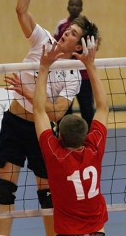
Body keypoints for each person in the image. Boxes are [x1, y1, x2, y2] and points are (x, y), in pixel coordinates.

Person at [0, 0, 101, 235]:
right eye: (68, 29)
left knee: (47, 197)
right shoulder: (42, 38)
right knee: (5, 190)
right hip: (13, 124)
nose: (66, 32)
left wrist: (26, 92)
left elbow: (54, 114)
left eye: (73, 33)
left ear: (78, 46)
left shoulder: (73, 75)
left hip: (40, 133)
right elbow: (21, 10)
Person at [33, 35, 108, 235]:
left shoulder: (55, 155)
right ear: (86, 137)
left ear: (59, 138)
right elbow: (102, 108)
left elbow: (39, 110)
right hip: (96, 232)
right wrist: (90, 65)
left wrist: (44, 66)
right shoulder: (94, 147)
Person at [54, 0, 95, 131]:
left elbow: (93, 47)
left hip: (84, 76)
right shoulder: (61, 25)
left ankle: (89, 138)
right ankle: (63, 138)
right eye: (72, 4)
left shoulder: (89, 26)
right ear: (68, 7)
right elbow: (56, 45)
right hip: (64, 76)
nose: (74, 7)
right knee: (65, 113)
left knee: (88, 111)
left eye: (77, 5)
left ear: (81, 8)